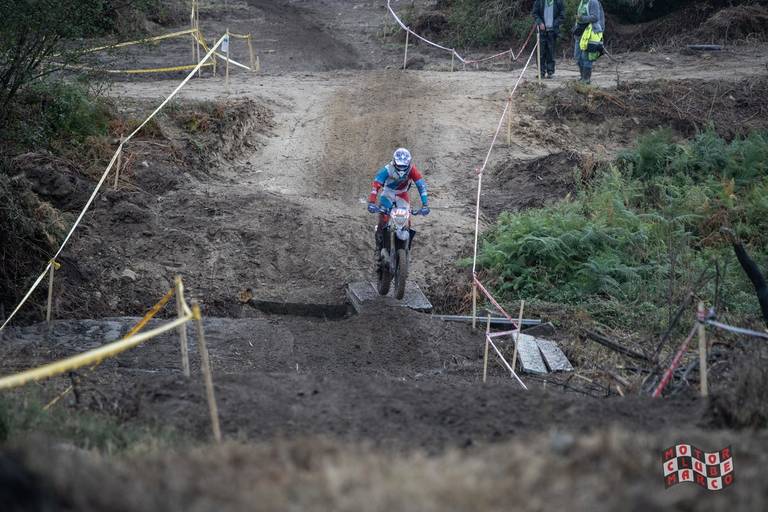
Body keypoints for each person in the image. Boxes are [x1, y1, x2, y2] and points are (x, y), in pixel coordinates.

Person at [367, 148, 429, 256]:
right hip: (388, 193)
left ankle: (405, 248)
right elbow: (376, 185)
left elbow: (421, 186)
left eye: (404, 166)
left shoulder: (412, 170)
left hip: (402, 194)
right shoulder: (387, 169)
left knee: (406, 220)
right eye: (399, 165)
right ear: (394, 162)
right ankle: (379, 246)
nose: (402, 168)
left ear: (408, 163)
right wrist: (372, 202)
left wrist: (425, 205)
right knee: (383, 217)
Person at [573, 0, 605, 84]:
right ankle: (582, 77)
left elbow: (595, 17)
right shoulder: (582, 2)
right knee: (577, 57)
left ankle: (586, 79)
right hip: (580, 33)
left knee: (586, 57)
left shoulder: (593, 2)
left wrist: (582, 18)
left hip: (590, 33)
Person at [531, 0, 565, 79]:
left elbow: (562, 15)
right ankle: (541, 72)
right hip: (541, 31)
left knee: (551, 52)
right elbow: (535, 13)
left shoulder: (558, 2)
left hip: (553, 31)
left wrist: (554, 23)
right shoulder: (539, 1)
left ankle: (550, 72)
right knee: (540, 53)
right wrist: (540, 22)